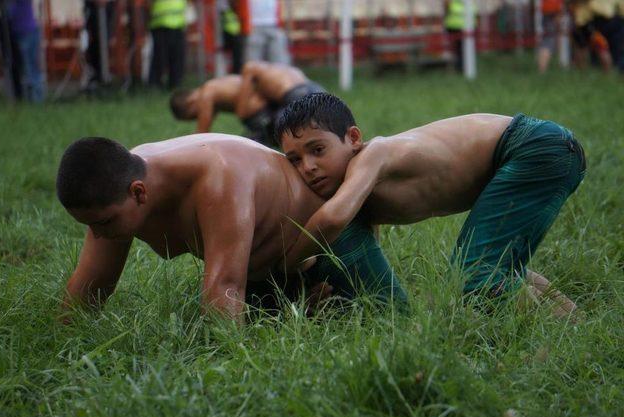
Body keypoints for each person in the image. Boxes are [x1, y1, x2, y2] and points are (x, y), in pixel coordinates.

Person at [277, 93, 585, 317]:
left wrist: (283, 265)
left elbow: (332, 219)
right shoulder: (356, 189)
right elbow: (366, 242)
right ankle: (574, 320)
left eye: (318, 150)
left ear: (353, 138)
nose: (309, 167)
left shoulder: (373, 155)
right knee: (490, 263)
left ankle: (556, 338)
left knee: (476, 275)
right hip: (539, 149)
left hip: (534, 146)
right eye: (295, 160)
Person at [56, 134, 407, 322]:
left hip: (328, 240)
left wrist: (230, 371)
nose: (98, 235)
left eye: (102, 224)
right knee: (276, 328)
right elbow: (90, 287)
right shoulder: (116, 184)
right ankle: (299, 301)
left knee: (393, 319)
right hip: (265, 271)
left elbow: (224, 287)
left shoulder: (217, 176)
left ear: (139, 192)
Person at [169, 75, 277, 145]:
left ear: (190, 102)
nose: (198, 117)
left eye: (194, 116)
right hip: (268, 108)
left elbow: (201, 135)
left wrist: (178, 146)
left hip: (263, 113)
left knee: (243, 148)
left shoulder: (206, 94)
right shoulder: (212, 87)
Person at [235, 61, 324, 138]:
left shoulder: (251, 69)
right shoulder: (279, 70)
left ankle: (262, 139)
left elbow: (243, 113)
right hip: (314, 88)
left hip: (294, 93)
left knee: (262, 122)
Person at [148, 0, 187, 90]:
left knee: (177, 57)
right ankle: (155, 85)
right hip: (160, 24)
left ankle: (175, 84)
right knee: (160, 57)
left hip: (178, 24)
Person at [246, 0, 290, 64]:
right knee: (254, 60)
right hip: (254, 26)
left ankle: (278, 73)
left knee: (278, 58)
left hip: (274, 25)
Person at [538, 0, 564, 73]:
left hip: (548, 10)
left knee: (550, 38)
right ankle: (542, 70)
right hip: (554, 9)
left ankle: (559, 64)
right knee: (549, 40)